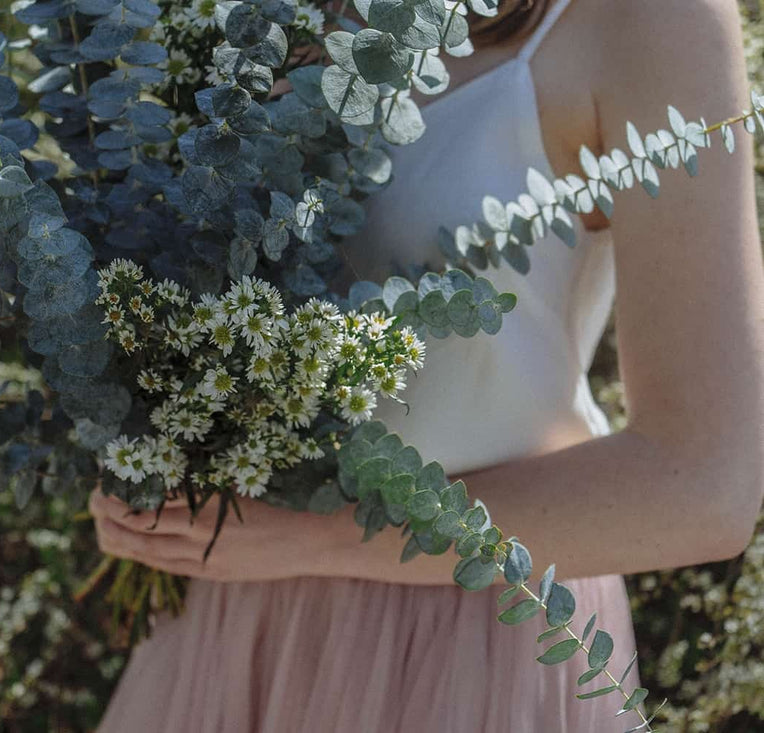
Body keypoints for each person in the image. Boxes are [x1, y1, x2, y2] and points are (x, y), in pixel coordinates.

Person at [89, 0, 764, 729]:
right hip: (228, 613)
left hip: (472, 643)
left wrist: (309, 537)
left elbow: (702, 487)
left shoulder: (654, 20)